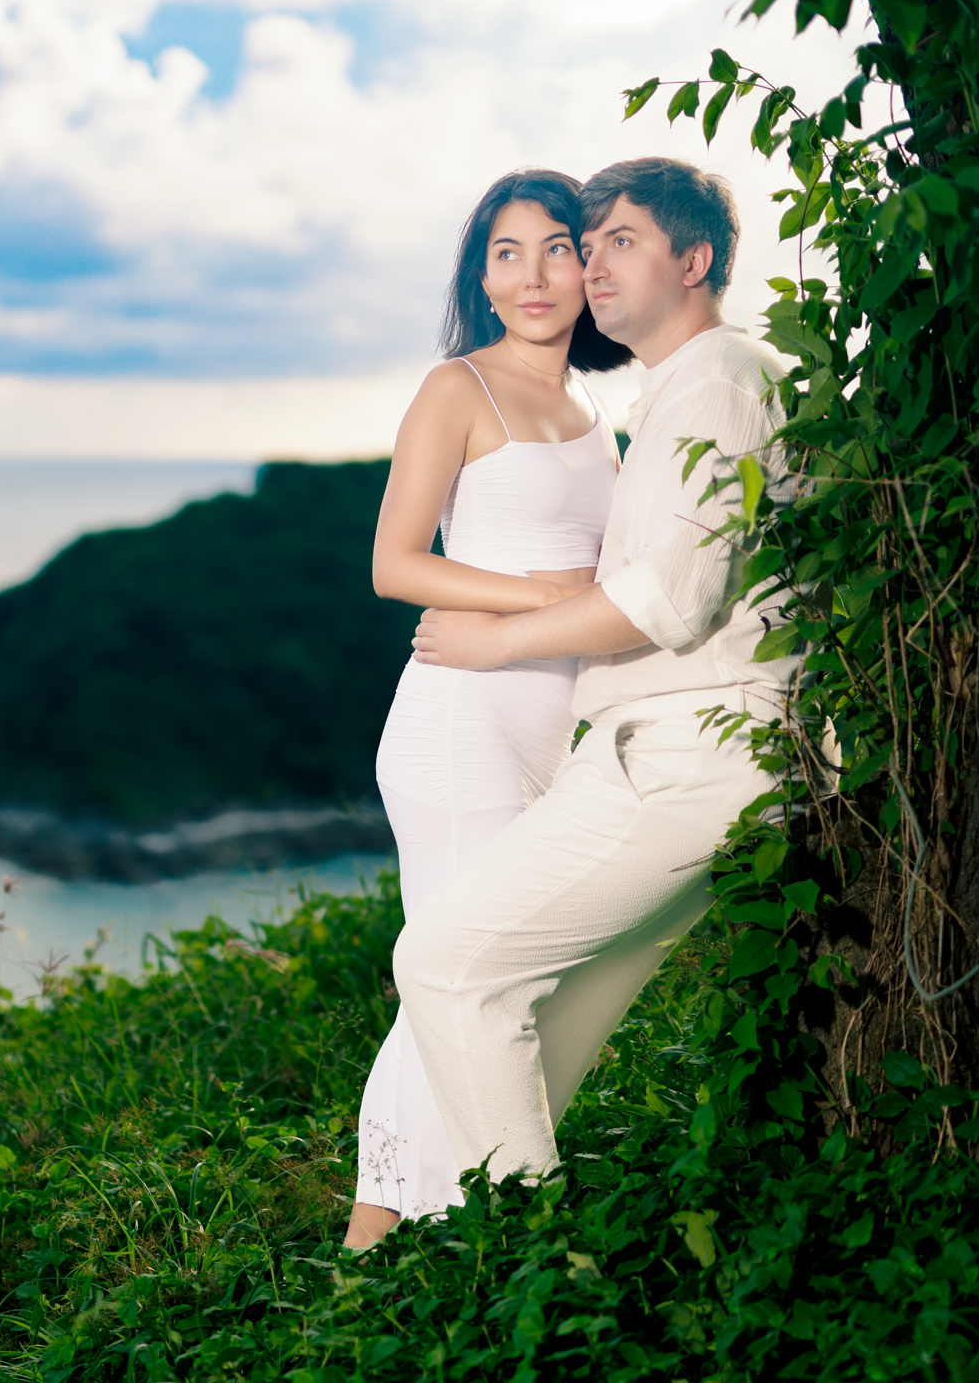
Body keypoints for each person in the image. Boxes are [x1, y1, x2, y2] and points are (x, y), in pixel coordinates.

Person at [394, 156, 798, 1198]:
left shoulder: (710, 382)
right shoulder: (674, 392)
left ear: (693, 259)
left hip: (682, 757)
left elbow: (669, 598)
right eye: (591, 243)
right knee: (518, 1009)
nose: (585, 267)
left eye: (610, 241)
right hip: (623, 750)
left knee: (446, 968)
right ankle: (442, 1249)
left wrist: (499, 633)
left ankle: (513, 1256)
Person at [346, 169, 632, 1250]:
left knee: (481, 980)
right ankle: (380, 1251)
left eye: (557, 247)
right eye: (506, 253)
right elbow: (394, 563)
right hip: (460, 728)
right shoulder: (458, 387)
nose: (534, 275)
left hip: (549, 733)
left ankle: (428, 1237)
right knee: (464, 979)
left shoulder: (594, 404)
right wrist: (549, 598)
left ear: (591, 263)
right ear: (481, 275)